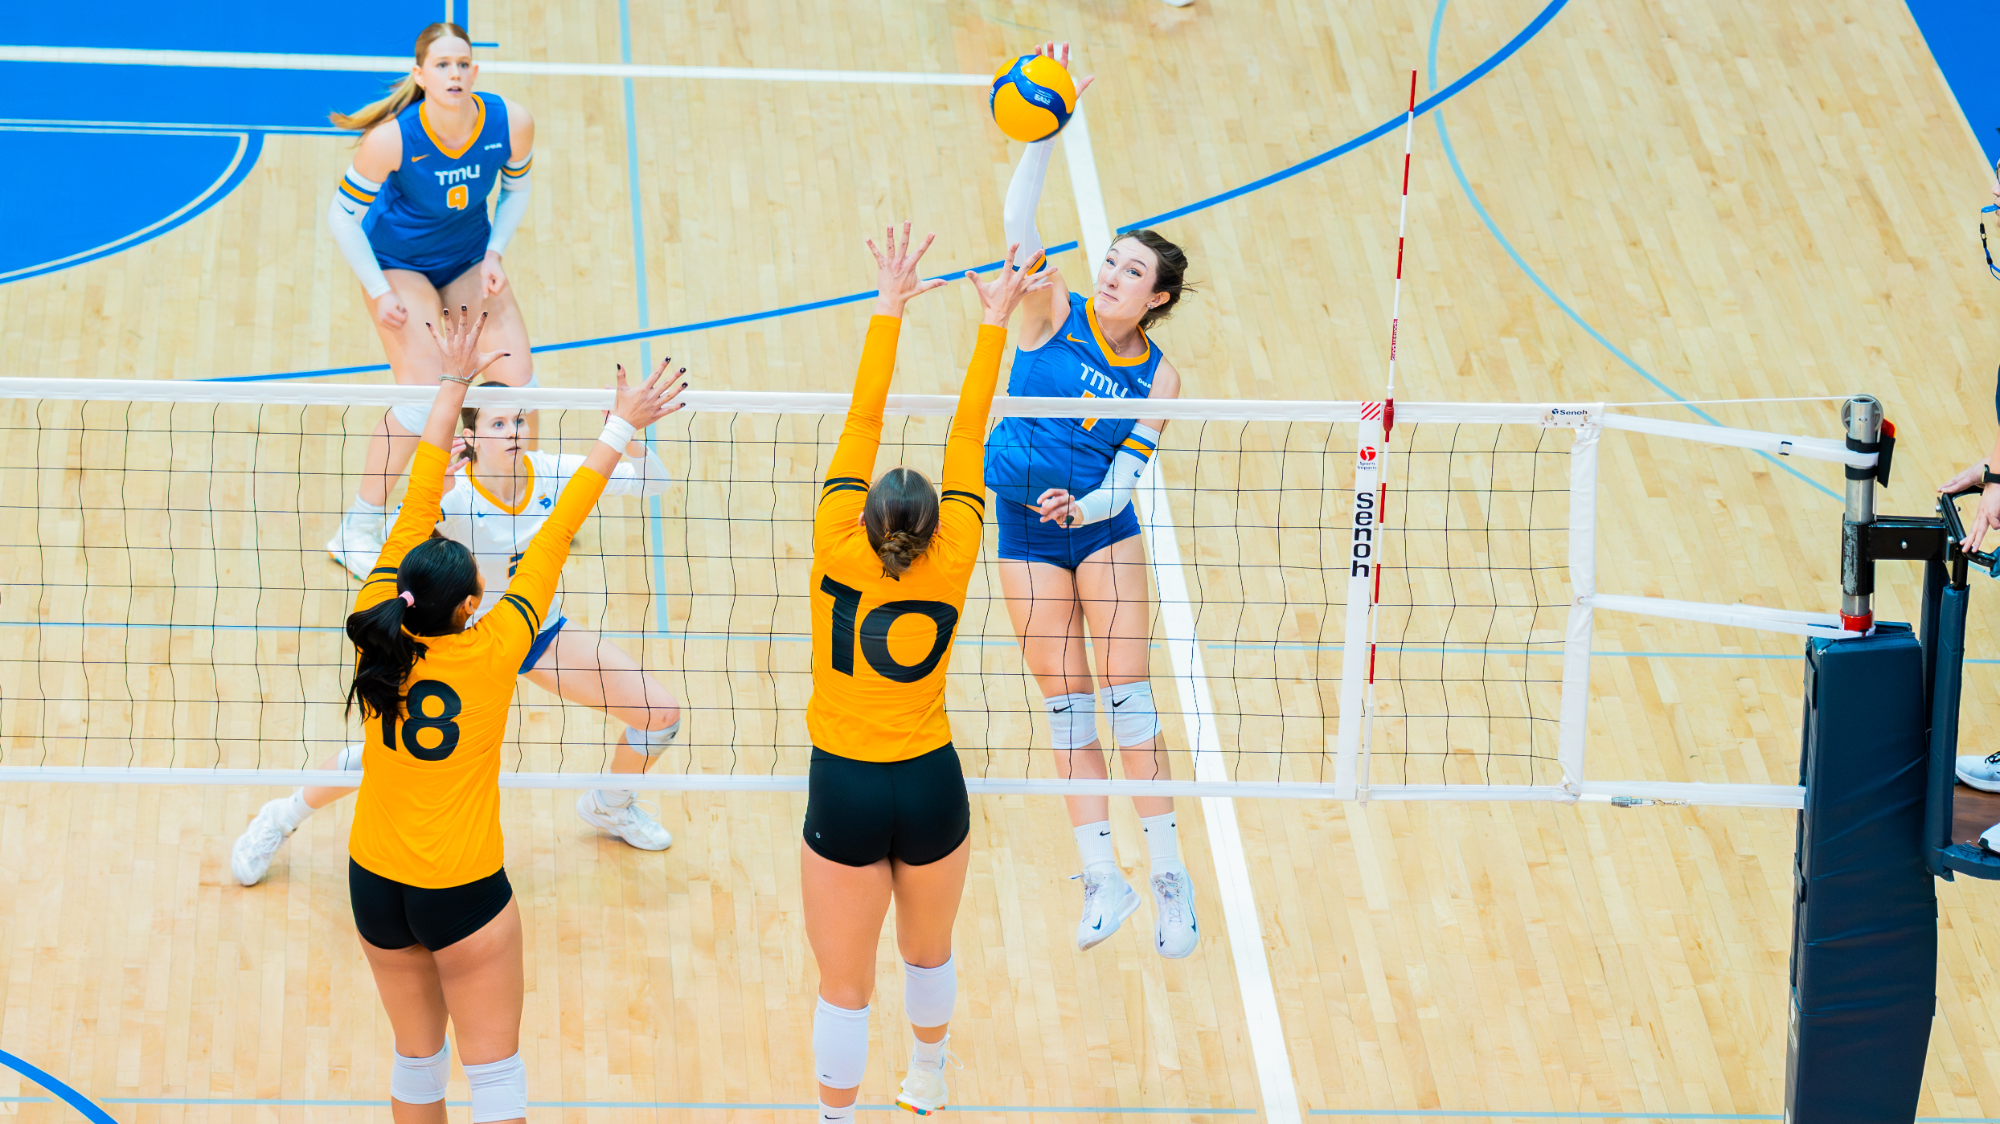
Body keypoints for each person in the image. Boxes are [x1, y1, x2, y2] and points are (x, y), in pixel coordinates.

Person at [332, 307, 683, 1124]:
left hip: (374, 882)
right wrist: (622, 428)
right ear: (475, 603)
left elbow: (419, 495)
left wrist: (449, 381)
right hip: (461, 886)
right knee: (495, 1079)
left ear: (401, 586)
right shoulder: (495, 653)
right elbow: (558, 533)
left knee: (416, 1066)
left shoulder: (372, 623)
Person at [232, 377, 691, 885]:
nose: (514, 430)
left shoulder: (555, 472)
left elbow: (656, 483)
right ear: (469, 436)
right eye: (498, 423)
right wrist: (433, 505)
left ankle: (612, 804)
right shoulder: (452, 495)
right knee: (395, 751)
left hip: (530, 632)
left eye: (519, 419)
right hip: (452, 643)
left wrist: (630, 440)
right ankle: (280, 816)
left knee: (658, 713)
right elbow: (396, 557)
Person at [802, 225, 1043, 1121]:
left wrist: (888, 308)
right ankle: (928, 1078)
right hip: (931, 781)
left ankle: (837, 1118)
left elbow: (863, 421)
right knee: (928, 955)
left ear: (860, 517)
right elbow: (968, 432)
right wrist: (993, 325)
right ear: (937, 524)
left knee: (842, 983)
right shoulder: (961, 550)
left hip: (847, 784)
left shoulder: (833, 546)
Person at [983, 41, 1201, 960]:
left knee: (1129, 701)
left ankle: (1167, 878)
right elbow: (1018, 213)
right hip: (1021, 530)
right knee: (1067, 706)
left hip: (1103, 529)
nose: (1110, 274)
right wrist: (1050, 125)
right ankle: (1100, 878)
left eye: (1128, 272)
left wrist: (1093, 500)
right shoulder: (1049, 310)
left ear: (1154, 300)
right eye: (1108, 262)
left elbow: (1130, 472)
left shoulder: (1160, 377)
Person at [323, 21, 542, 579]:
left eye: (463, 63)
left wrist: (495, 253)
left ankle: (509, 513)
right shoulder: (393, 139)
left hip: (469, 258)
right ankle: (359, 526)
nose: (455, 73)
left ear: (475, 71)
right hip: (400, 265)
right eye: (442, 65)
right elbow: (342, 218)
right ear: (420, 76)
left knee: (519, 383)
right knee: (426, 397)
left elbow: (517, 188)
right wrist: (378, 290)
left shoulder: (509, 122)